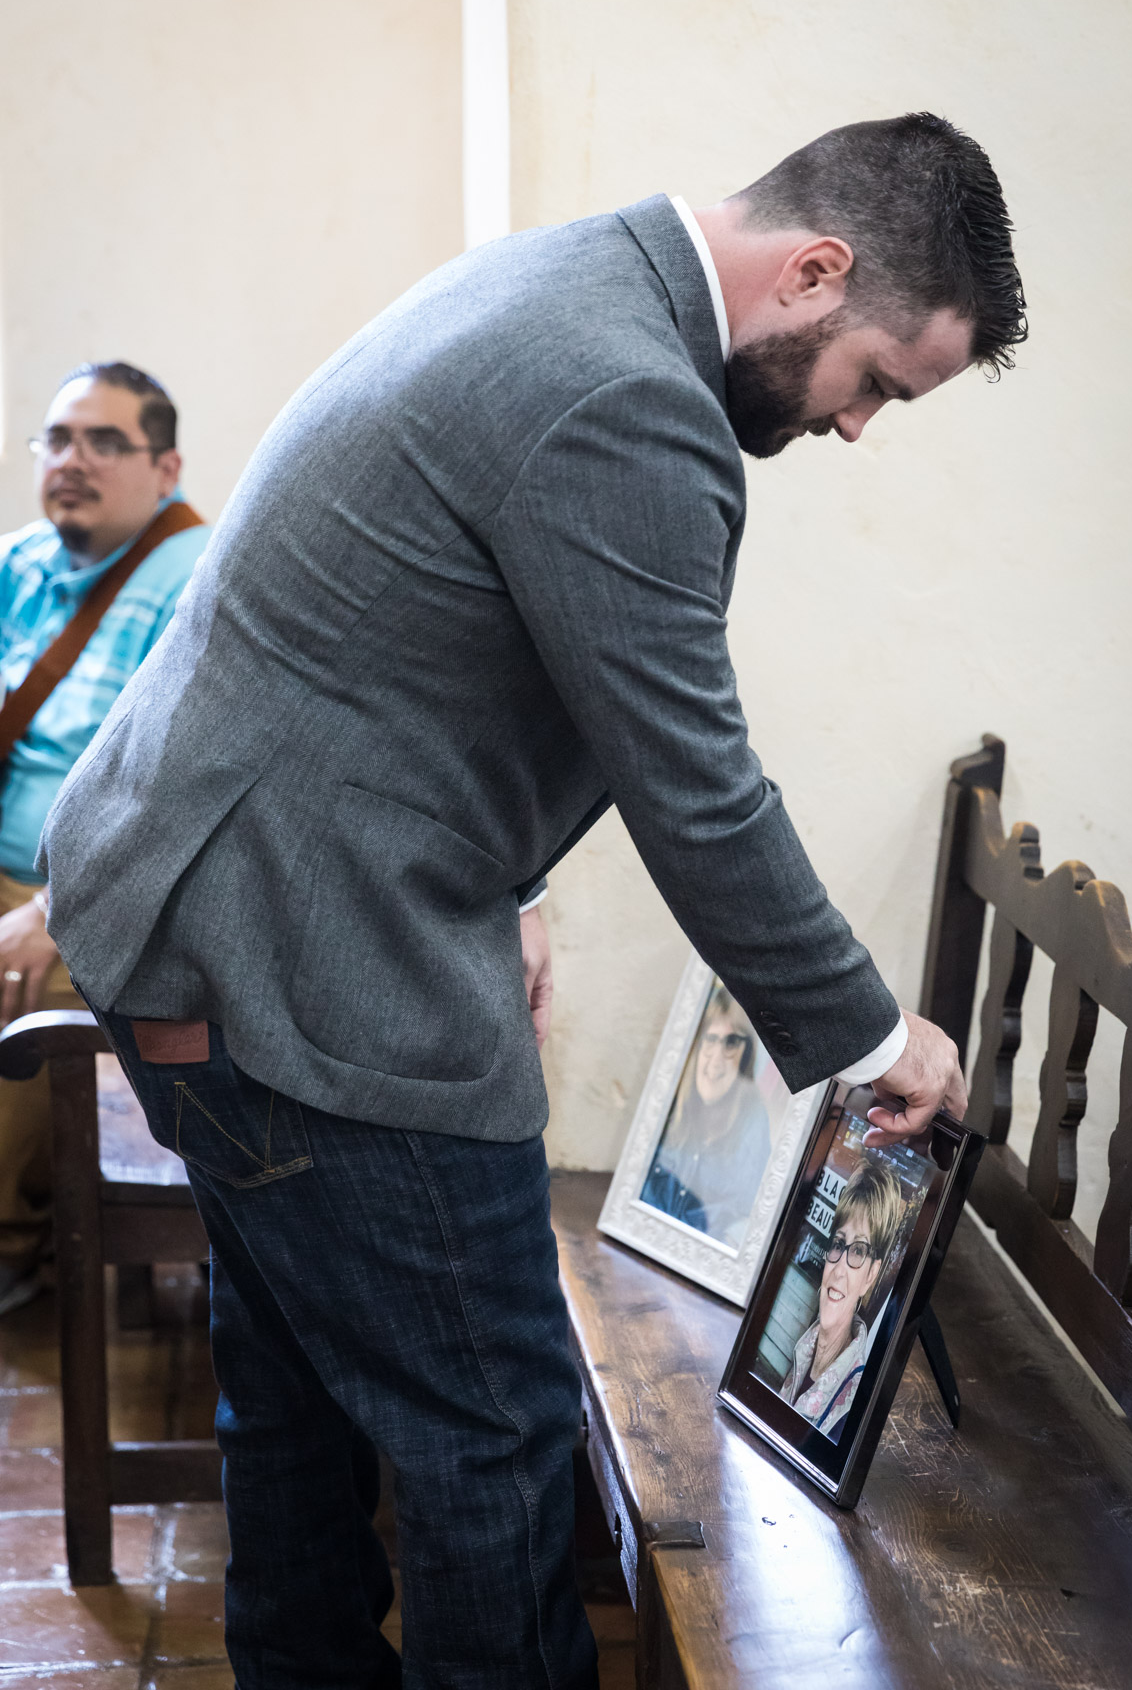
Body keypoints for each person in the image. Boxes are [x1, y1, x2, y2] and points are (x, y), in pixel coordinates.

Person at [41, 113, 1024, 1689]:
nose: (857, 431)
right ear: (817, 272)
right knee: (492, 1435)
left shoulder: (578, 287)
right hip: (290, 949)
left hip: (199, 910)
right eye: (875, 386)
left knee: (292, 1410)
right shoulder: (627, 395)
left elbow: (442, 646)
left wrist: (514, 881)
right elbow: (694, 778)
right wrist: (863, 1037)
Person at [0, 362, 208, 1317]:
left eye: (104, 442)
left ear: (164, 467)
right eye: (57, 439)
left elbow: (167, 791)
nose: (72, 460)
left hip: (101, 896)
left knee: (17, 984)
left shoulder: (198, 577)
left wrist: (55, 909)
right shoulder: (19, 563)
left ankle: (13, 1241)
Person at [782, 1155, 906, 1438]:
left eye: (859, 1251)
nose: (838, 1270)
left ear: (871, 1277)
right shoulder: (805, 1348)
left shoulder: (853, 1406)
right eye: (839, 1244)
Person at [641, 984, 771, 1246]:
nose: (716, 1058)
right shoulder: (667, 1101)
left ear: (746, 1055)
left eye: (732, 1042)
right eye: (710, 1039)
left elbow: (745, 1223)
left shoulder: (754, 1120)